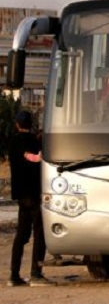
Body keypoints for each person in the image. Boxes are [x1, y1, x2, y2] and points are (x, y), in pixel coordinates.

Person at [7, 111, 55, 287]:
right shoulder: (35, 142)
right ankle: (36, 273)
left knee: (20, 235)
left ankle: (13, 275)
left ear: (17, 125)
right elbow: (37, 159)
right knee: (39, 233)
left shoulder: (12, 142)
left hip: (21, 195)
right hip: (35, 193)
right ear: (31, 124)